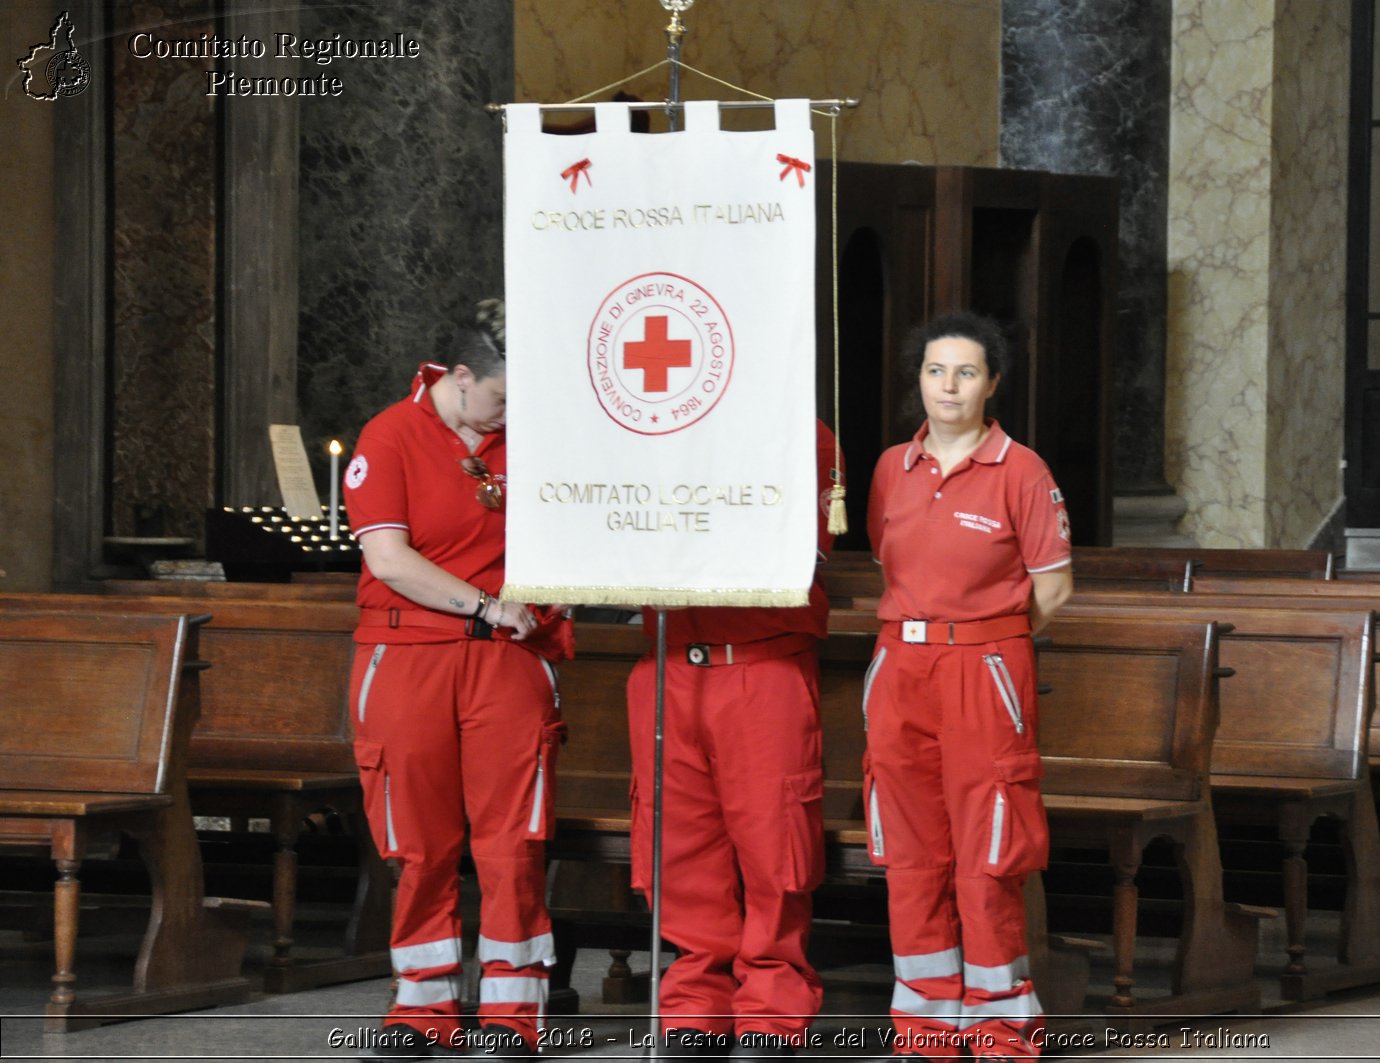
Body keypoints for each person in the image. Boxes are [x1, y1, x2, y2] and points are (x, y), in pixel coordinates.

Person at [344, 302, 574, 1061]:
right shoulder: (391, 435)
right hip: (411, 655)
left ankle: (514, 1012)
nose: (510, 413)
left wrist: (543, 599)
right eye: (501, 397)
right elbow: (389, 560)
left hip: (507, 660)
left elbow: (570, 534)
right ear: (461, 376)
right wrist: (484, 603)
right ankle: (423, 1007)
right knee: (420, 841)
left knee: (512, 839)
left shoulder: (530, 442)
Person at [862, 312, 1073, 1061]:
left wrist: (990, 639)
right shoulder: (892, 465)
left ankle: (1001, 1030)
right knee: (910, 850)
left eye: (966, 372)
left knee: (989, 848)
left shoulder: (1022, 469)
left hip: (984, 670)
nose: (948, 386)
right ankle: (926, 1029)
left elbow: (1053, 588)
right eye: (934, 371)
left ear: (992, 383)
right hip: (899, 669)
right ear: (917, 379)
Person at [625, 420, 841, 1058]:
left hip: (759, 664)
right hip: (665, 663)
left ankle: (772, 1009)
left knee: (776, 845)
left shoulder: (804, 432)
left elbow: (802, 548)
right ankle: (696, 1005)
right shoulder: (648, 429)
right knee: (678, 845)